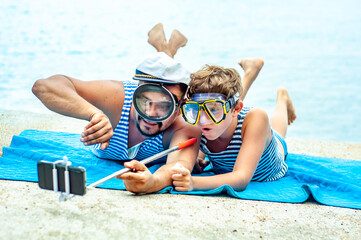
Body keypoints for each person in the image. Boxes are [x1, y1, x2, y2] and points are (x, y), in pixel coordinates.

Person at [31, 23, 260, 193]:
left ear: (180, 106)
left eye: (164, 106)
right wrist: (92, 112)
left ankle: (168, 48)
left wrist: (153, 182)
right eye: (144, 100)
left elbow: (177, 168)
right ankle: (166, 48)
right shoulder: (118, 97)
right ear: (134, 91)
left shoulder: (186, 126)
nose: (151, 114)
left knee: (223, 106)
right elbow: (44, 86)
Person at [170, 64, 296, 192]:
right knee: (225, 108)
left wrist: (194, 182)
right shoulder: (197, 122)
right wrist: (196, 158)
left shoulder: (256, 118)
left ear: (236, 109)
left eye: (213, 109)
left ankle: (282, 99)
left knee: (278, 134)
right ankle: (250, 71)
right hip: (230, 118)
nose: (203, 120)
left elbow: (241, 179)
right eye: (197, 109)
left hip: (269, 155)